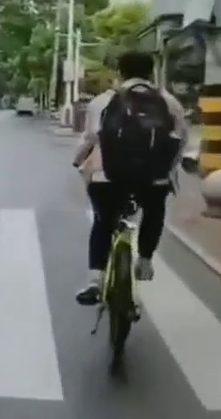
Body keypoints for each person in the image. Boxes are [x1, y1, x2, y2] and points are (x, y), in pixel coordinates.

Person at [73, 50, 188, 306]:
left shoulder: (103, 101)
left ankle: (95, 280)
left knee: (103, 221)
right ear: (151, 72)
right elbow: (180, 140)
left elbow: (90, 138)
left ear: (120, 72)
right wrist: (168, 171)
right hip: (153, 178)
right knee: (154, 211)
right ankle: (144, 261)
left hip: (108, 177)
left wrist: (78, 160)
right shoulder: (170, 103)